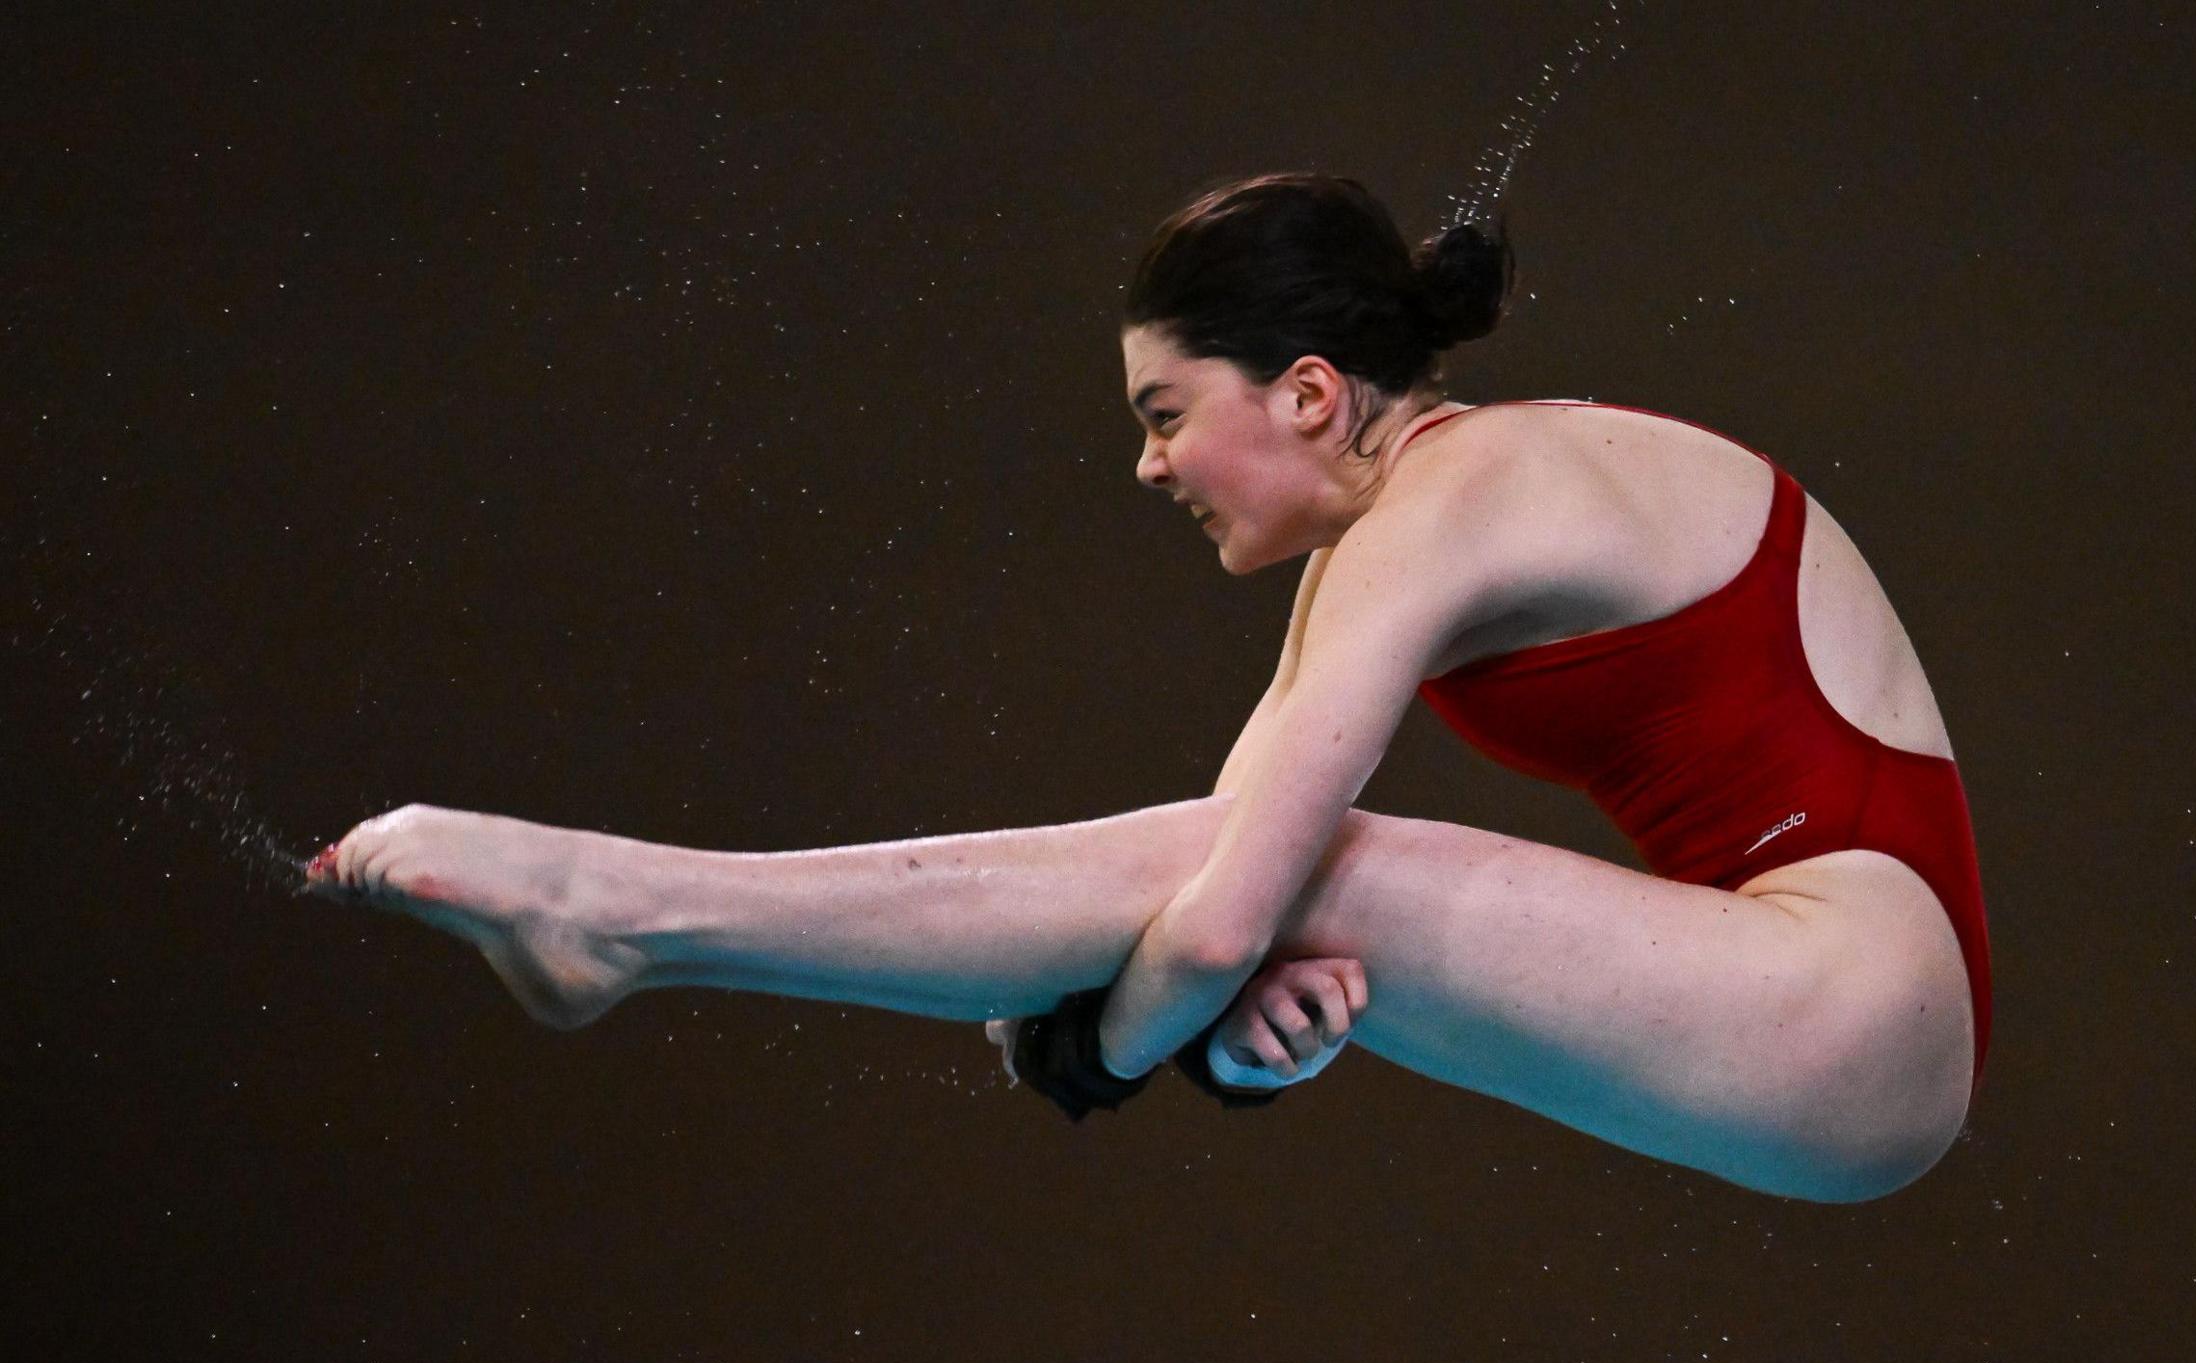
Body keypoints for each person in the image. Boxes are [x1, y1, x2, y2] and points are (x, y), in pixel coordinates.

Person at [303, 173, 1990, 1203]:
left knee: (1310, 867)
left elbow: (1203, 917)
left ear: (1313, 392)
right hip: (1814, 1021)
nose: (1147, 464)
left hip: (1849, 1006)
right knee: (1286, 866)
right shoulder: (1388, 537)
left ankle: (624, 910)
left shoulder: (1459, 500)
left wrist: (1095, 1052)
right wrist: (1238, 1046)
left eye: (1167, 411)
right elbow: (1215, 905)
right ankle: (620, 915)